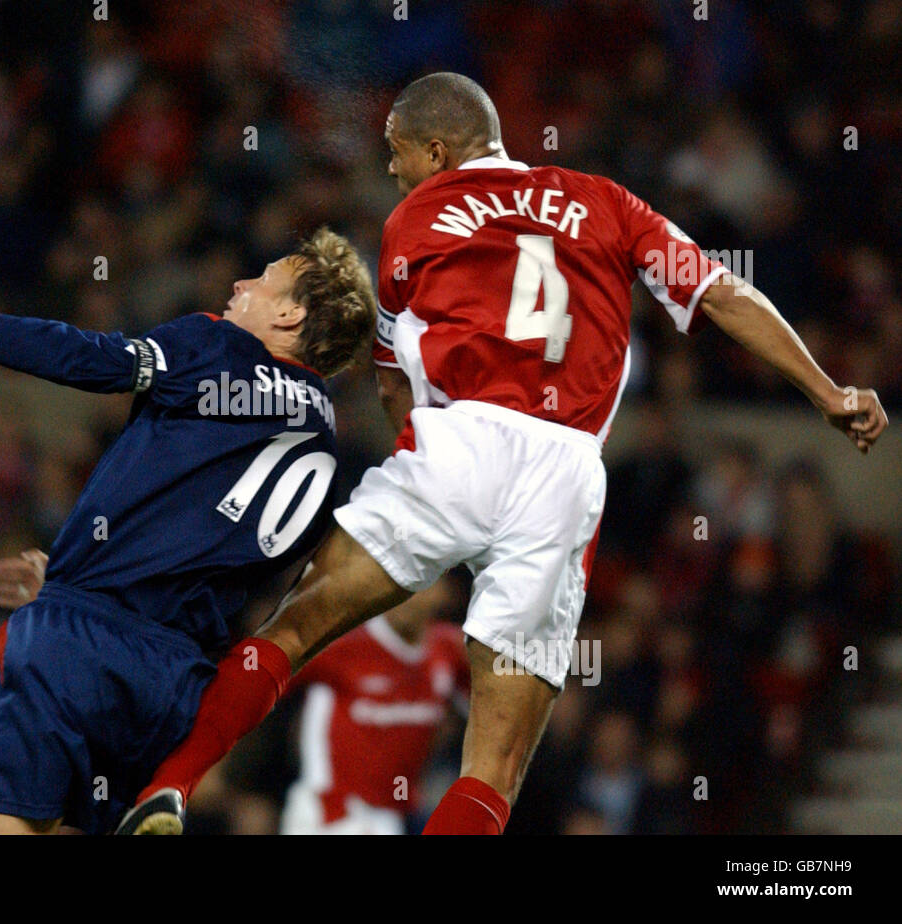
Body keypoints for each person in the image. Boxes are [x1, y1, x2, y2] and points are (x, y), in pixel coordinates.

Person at [117, 72, 888, 835]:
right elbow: (722, 294)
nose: (392, 170)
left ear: (438, 149)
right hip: (562, 474)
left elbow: (392, 386)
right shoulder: (608, 201)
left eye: (398, 152)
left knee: (292, 627)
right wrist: (827, 391)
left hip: (460, 442)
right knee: (494, 766)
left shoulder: (414, 220)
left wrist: (417, 475)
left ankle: (170, 786)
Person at [0, 229, 377, 834]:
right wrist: (74, 576)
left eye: (262, 279)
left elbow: (78, 355)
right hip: (171, 691)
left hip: (74, 649)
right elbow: (206, 551)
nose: (240, 285)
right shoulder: (324, 443)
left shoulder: (215, 345)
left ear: (291, 314)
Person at [279, 577, 470, 834]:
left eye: (423, 583)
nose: (408, 595)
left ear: (444, 593)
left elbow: (494, 712)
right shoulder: (342, 642)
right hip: (332, 810)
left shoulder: (449, 650)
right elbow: (262, 684)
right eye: (401, 582)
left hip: (395, 813)